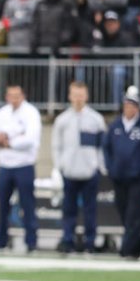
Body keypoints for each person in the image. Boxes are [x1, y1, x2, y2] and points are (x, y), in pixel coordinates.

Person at [102, 86, 140, 260]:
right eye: (127, 104)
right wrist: (110, 167)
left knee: (134, 213)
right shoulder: (116, 125)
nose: (129, 108)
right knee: (123, 211)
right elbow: (106, 147)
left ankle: (126, 249)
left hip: (138, 178)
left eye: (133, 104)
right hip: (119, 177)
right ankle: (138, 246)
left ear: (138, 107)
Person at [51, 81, 107, 254]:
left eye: (81, 95)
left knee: (90, 209)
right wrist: (59, 167)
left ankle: (90, 242)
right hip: (69, 171)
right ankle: (68, 241)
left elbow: (101, 146)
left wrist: (99, 166)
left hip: (89, 171)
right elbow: (56, 145)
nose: (78, 99)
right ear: (69, 96)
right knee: (69, 210)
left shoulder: (95, 119)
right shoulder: (62, 120)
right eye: (75, 95)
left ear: (86, 96)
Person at [0, 84, 41, 253]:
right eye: (11, 95)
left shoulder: (31, 113)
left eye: (17, 95)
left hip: (24, 165)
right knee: (2, 205)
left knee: (27, 205)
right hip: (5, 166)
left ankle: (31, 242)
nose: (14, 99)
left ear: (23, 96)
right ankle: (1, 241)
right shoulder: (2, 113)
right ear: (6, 97)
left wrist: (9, 142)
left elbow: (30, 138)